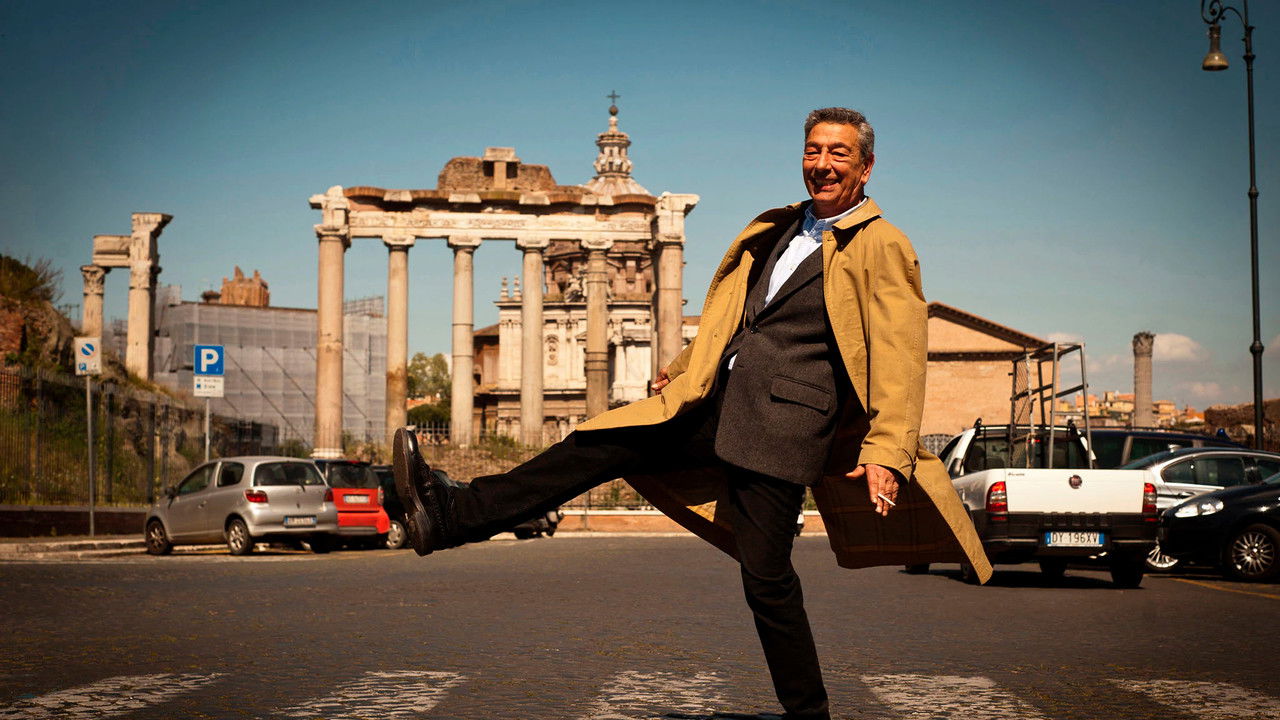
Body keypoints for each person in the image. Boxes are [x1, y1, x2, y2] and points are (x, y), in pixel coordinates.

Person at [393, 107, 991, 720]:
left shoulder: (883, 244)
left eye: (838, 153)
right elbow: (740, 322)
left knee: (767, 579)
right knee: (599, 441)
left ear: (866, 167)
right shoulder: (784, 226)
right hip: (717, 404)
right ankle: (453, 514)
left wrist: (887, 450)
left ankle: (809, 714)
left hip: (785, 428)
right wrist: (685, 367)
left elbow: (898, 353)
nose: (822, 164)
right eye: (813, 150)